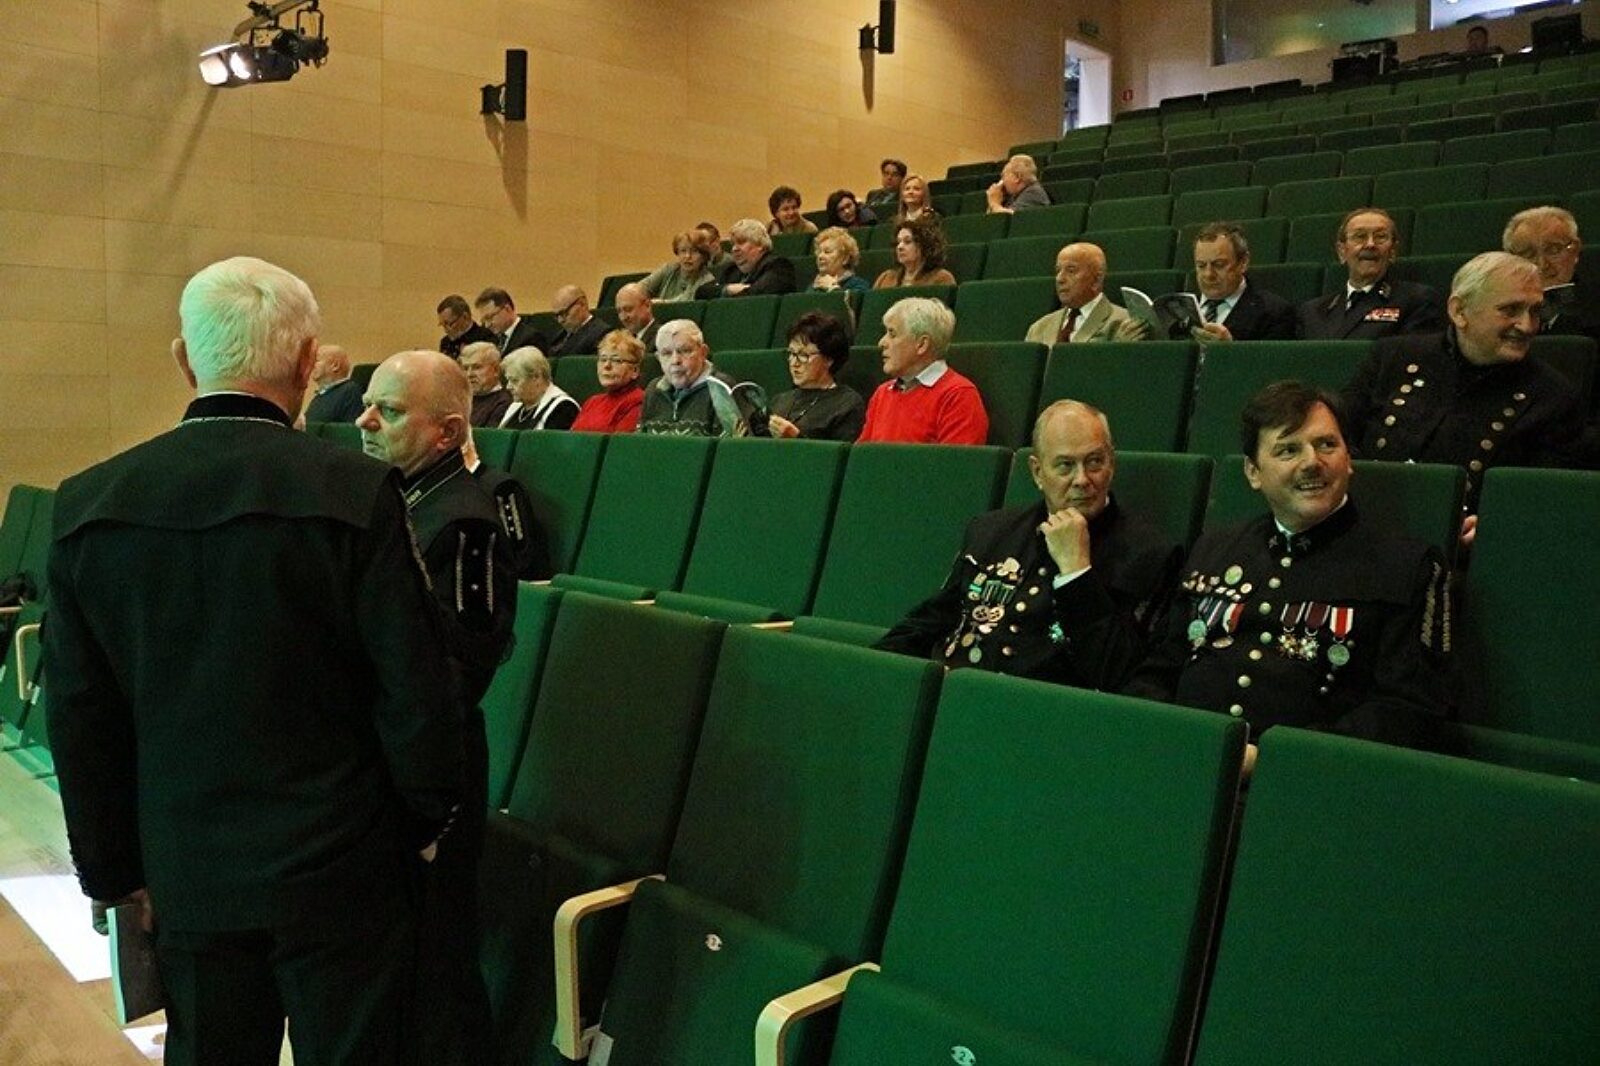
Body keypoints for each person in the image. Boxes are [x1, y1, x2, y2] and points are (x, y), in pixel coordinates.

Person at [44, 256, 465, 1066]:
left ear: (184, 359)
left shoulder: (90, 504)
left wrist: (113, 873)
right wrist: (421, 824)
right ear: (308, 362)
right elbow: (416, 688)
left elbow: (81, 715)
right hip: (342, 866)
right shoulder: (357, 491)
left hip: (187, 868)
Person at [1125, 381, 1451, 764]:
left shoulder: (1406, 566)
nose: (1312, 462)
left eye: (1326, 444)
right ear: (1253, 472)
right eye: (1288, 450)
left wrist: (1275, 761)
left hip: (1307, 783)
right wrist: (1163, 739)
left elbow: (1410, 711)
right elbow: (1160, 670)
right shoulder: (1213, 550)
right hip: (1179, 762)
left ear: (1349, 459)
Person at [357, 348, 517, 1066]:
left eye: (389, 411)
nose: (365, 421)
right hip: (397, 754)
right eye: (369, 403)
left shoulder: (467, 521)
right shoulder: (398, 497)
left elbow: (460, 668)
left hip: (435, 765)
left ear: (448, 432)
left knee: (439, 956)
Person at [878, 400, 1181, 687]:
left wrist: (1077, 573)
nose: (1082, 479)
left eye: (1094, 462)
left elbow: (1121, 675)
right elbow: (933, 620)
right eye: (1065, 465)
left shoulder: (1149, 554)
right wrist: (874, 669)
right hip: (954, 692)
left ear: (1111, 464)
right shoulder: (991, 530)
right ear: (1037, 472)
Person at [1341, 251, 1585, 517]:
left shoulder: (1552, 396)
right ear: (1459, 311)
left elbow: (1543, 499)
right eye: (1510, 310)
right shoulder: (1393, 357)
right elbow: (1340, 433)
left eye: (1535, 311)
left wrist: (1492, 521)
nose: (1527, 326)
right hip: (1365, 515)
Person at [1295, 208, 1445, 340]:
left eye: (1380, 237)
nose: (1370, 244)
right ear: (1342, 251)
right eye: (1360, 236)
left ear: (1393, 251)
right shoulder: (1312, 312)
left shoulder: (1416, 301)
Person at [858, 297, 989, 445]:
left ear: (922, 344)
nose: (881, 343)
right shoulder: (882, 393)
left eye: (892, 334)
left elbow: (957, 459)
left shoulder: (958, 396)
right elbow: (862, 454)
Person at [637, 319, 763, 436]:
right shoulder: (653, 389)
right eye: (666, 353)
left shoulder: (720, 389)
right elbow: (640, 443)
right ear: (658, 358)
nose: (675, 360)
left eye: (685, 351)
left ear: (703, 352)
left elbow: (732, 447)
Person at [1190, 222, 1297, 342]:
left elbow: (1274, 355)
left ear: (1243, 263)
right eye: (1201, 265)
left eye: (1219, 265)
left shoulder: (1274, 313)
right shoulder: (1182, 309)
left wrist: (1229, 348)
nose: (1208, 274)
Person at [1503, 205, 1597, 340]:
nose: (1542, 265)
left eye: (1553, 250)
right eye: (1528, 254)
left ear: (1575, 249)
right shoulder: (1499, 311)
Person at [1025, 242, 1152, 343]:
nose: (1059, 278)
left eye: (1071, 270)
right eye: (1058, 270)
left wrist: (1118, 349)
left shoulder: (1124, 324)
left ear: (1097, 279)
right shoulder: (1039, 328)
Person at [768, 312, 867, 441]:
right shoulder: (780, 401)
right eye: (791, 353)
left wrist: (796, 438)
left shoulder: (846, 404)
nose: (794, 363)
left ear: (828, 359)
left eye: (803, 355)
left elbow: (841, 452)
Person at [696, 219, 798, 299]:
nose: (734, 249)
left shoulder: (779, 266)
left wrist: (726, 294)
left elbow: (756, 294)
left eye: (741, 242)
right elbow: (702, 292)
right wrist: (729, 289)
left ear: (760, 244)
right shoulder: (731, 270)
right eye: (733, 244)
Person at [571, 329, 647, 433]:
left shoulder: (638, 401)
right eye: (603, 359)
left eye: (616, 360)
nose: (607, 365)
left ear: (635, 370)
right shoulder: (592, 402)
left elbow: (620, 442)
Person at [501, 346, 579, 430]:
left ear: (536, 377)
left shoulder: (563, 408)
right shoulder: (514, 407)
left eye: (515, 380)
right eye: (508, 380)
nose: (508, 387)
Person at [873, 215, 957, 289]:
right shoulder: (885, 278)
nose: (899, 247)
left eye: (907, 241)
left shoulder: (941, 278)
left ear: (924, 245)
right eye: (898, 242)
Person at [638, 231, 719, 303]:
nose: (687, 256)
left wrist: (661, 303)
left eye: (694, 251)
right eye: (683, 251)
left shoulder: (707, 280)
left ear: (703, 256)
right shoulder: (668, 269)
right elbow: (640, 288)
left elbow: (684, 302)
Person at [302, 342, 365, 424]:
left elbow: (349, 429)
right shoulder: (321, 395)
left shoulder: (350, 392)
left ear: (335, 365)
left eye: (316, 360)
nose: (311, 365)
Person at [474, 287, 548, 354]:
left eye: (490, 317)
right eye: (484, 321)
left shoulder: (531, 338)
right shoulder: (490, 339)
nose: (487, 325)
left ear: (507, 309)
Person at [459, 341, 515, 427]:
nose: (469, 374)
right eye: (465, 368)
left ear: (496, 370)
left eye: (477, 367)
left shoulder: (504, 402)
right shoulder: (461, 400)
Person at [547, 285, 610, 357]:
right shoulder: (560, 336)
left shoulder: (602, 333)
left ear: (582, 304)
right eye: (557, 315)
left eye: (564, 313)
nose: (560, 320)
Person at [811, 226, 872, 294]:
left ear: (845, 259)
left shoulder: (858, 285)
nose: (820, 256)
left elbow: (848, 301)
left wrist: (832, 288)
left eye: (827, 252)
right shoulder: (813, 287)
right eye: (819, 252)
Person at [986, 153, 1050, 214]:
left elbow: (1013, 217)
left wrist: (994, 203)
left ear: (1017, 177)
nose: (1002, 181)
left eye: (1003, 176)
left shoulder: (1034, 193)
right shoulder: (1013, 196)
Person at [438, 293, 496, 357]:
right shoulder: (445, 342)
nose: (446, 330)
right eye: (442, 325)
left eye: (449, 324)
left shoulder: (486, 337)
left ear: (465, 316)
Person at [614, 281, 660, 350]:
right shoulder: (623, 340)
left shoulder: (660, 338)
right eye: (619, 311)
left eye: (628, 309)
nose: (623, 317)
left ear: (647, 305)